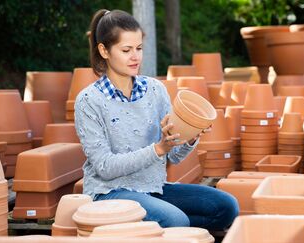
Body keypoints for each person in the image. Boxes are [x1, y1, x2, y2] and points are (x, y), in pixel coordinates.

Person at [74, 9, 239, 230]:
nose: (136, 57)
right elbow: (104, 167)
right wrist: (158, 149)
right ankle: (182, 238)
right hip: (110, 193)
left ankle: (176, 235)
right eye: (126, 50)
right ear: (104, 50)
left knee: (226, 206)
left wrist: (189, 137)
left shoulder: (155, 89)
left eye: (139, 48)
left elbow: (174, 156)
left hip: (153, 188)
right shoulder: (88, 100)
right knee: (175, 220)